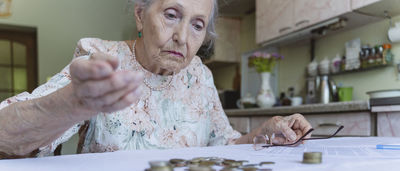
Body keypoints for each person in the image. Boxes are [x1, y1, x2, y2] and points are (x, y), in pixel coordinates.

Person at [0, 0, 312, 159]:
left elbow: (226, 144)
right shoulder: (100, 57)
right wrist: (70, 103)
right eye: (171, 15)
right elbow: (5, 135)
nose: (181, 37)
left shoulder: (199, 75)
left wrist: (265, 132)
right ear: (140, 15)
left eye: (197, 25)